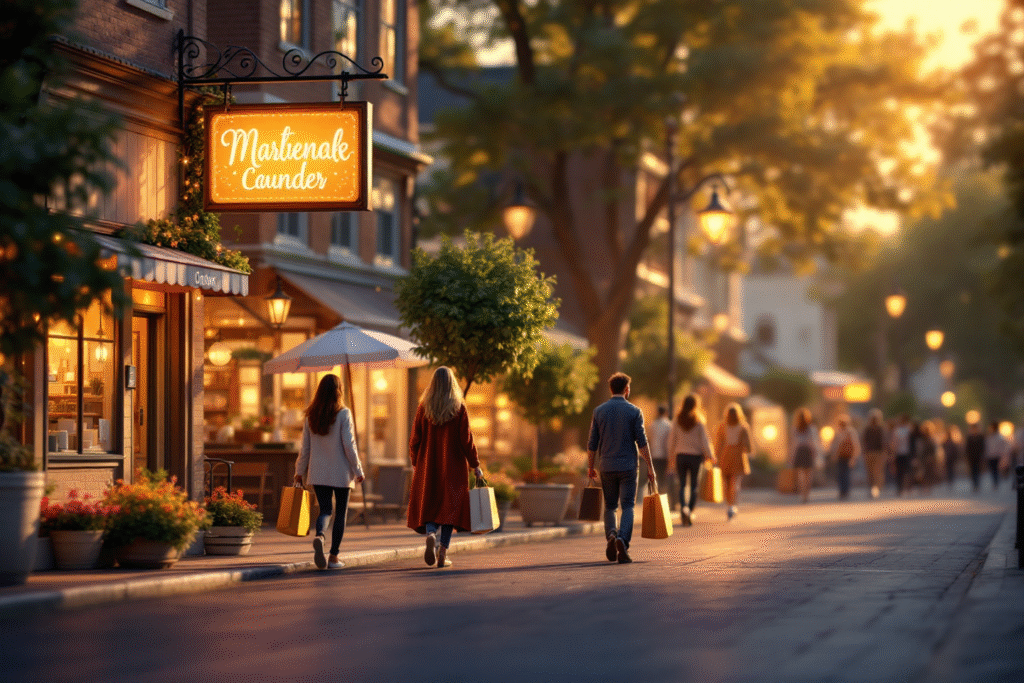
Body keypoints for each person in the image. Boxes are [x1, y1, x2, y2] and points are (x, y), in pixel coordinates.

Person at [407, 367, 484, 569]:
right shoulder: (459, 408)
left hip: (428, 467)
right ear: (452, 384)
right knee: (451, 509)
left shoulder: (423, 408)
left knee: (431, 505)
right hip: (453, 469)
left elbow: (414, 440)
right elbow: (467, 441)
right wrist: (475, 464)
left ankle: (431, 533)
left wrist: (416, 463)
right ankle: (442, 552)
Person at [294, 374, 365, 570]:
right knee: (340, 513)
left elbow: (305, 448)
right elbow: (349, 445)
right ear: (338, 391)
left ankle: (320, 535)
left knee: (325, 510)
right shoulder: (344, 413)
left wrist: (299, 472)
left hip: (318, 473)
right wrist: (358, 469)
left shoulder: (311, 416)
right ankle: (333, 557)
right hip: (341, 472)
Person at [587, 372, 657, 564]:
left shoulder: (599, 411)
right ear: (627, 389)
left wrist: (590, 466)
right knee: (628, 506)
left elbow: (592, 443)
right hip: (628, 467)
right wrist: (650, 467)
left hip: (606, 466)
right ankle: (622, 540)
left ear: (611, 389)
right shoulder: (634, 411)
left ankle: (611, 534)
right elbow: (642, 442)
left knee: (610, 506)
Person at [665, 394, 716, 527]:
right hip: (695, 457)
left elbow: (671, 440)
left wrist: (671, 456)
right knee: (694, 485)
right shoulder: (699, 420)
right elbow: (704, 440)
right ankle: (690, 510)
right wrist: (710, 455)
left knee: (682, 485)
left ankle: (683, 509)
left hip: (680, 456)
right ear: (695, 405)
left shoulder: (677, 420)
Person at [713, 402, 752, 520]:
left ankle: (729, 504)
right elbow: (748, 446)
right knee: (736, 483)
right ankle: (733, 505)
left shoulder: (722, 426)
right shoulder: (743, 426)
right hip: (738, 455)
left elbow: (718, 444)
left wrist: (715, 457)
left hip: (725, 454)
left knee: (727, 482)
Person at [789, 407, 822, 504]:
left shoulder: (795, 428)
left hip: (799, 451)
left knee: (801, 475)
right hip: (808, 451)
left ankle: (803, 494)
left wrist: (791, 456)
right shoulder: (811, 428)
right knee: (809, 475)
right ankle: (807, 494)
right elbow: (813, 442)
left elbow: (793, 444)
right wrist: (816, 453)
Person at [644, 405, 672, 508]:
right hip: (665, 455)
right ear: (666, 413)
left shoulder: (652, 425)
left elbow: (648, 439)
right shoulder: (669, 425)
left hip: (654, 455)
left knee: (655, 478)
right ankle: (662, 500)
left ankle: (656, 499)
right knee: (663, 478)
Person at [831, 415, 861, 500]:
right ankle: (842, 491)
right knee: (842, 474)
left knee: (845, 474)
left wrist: (854, 457)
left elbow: (855, 445)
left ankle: (845, 491)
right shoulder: (841, 432)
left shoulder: (849, 432)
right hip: (841, 456)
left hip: (847, 456)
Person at [861, 409, 887, 499]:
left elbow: (883, 442)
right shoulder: (868, 429)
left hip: (877, 453)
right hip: (870, 453)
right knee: (871, 472)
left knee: (877, 472)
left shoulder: (880, 429)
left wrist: (884, 453)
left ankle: (876, 488)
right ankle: (872, 487)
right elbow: (864, 441)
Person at [890, 414, 914, 496]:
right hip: (903, 453)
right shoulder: (907, 430)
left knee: (902, 472)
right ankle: (903, 488)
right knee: (904, 472)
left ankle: (902, 488)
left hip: (902, 453)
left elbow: (893, 443)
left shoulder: (899, 430)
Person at [916, 420, 940, 495]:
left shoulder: (932, 439)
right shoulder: (921, 438)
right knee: (923, 473)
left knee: (930, 473)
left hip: (930, 458)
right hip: (923, 458)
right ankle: (925, 486)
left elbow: (935, 449)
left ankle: (928, 487)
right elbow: (919, 449)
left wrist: (933, 457)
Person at [985, 420, 1009, 490]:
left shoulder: (1000, 437)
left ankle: (996, 482)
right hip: (990, 456)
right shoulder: (989, 437)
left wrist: (1003, 457)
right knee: (993, 470)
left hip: (998, 456)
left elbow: (1003, 448)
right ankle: (995, 482)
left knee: (996, 470)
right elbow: (987, 447)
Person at [964, 420, 985, 493]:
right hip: (971, 457)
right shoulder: (969, 437)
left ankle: (977, 484)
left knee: (978, 471)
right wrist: (966, 457)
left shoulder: (981, 437)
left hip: (979, 457)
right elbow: (967, 448)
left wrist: (983, 456)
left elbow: (983, 447)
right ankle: (974, 484)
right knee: (973, 471)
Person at [941, 424, 963, 490]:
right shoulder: (949, 442)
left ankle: (950, 480)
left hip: (949, 458)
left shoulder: (948, 442)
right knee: (950, 469)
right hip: (949, 458)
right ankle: (950, 480)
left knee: (949, 469)